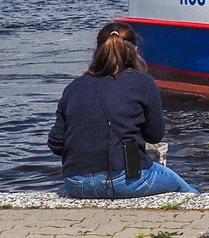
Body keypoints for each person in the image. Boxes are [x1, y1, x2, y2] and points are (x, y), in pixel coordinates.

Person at [48, 23, 198, 198]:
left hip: (76, 182)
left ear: (98, 51)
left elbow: (56, 143)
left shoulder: (73, 87)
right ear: (134, 50)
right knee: (185, 190)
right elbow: (155, 135)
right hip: (125, 180)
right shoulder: (144, 83)